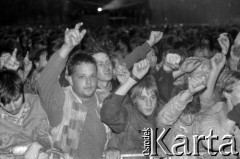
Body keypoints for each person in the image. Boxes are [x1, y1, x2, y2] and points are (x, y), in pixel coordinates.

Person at [101, 56, 207, 158]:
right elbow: (108, 115)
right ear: (134, 100)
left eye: (152, 97)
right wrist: (112, 149)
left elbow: (171, 111)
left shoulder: (160, 109)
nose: (149, 103)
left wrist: (160, 148)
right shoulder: (127, 112)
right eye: (143, 98)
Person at [37, 23, 111, 159]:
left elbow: (121, 128)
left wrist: (113, 147)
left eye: (92, 76)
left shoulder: (105, 98)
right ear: (69, 79)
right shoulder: (62, 100)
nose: (89, 82)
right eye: (82, 77)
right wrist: (67, 47)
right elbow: (44, 82)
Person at [0, 69, 51, 159]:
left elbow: (54, 134)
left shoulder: (40, 104)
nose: (13, 107)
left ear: (22, 91)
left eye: (16, 100)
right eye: (6, 103)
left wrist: (38, 145)